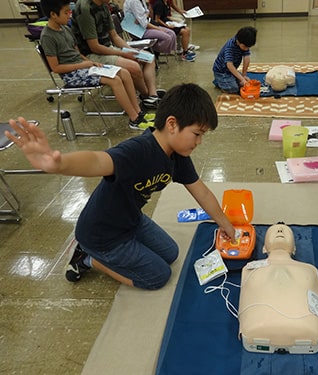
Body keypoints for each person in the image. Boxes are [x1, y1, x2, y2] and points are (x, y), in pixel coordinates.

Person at [5, 84, 236, 290]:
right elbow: (98, 161)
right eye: (197, 134)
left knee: (171, 253)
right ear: (172, 124)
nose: (199, 142)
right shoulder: (138, 150)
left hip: (131, 219)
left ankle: (111, 250)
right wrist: (60, 163)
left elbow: (201, 191)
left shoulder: (178, 154)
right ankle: (86, 257)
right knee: (158, 277)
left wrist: (224, 223)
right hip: (102, 234)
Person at [39, 0, 155, 130]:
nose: (69, 15)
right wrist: (84, 64)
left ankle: (139, 112)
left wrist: (88, 63)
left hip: (83, 65)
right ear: (53, 14)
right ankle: (134, 119)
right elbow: (56, 68)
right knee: (115, 80)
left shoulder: (65, 29)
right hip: (72, 74)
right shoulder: (47, 36)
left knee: (125, 73)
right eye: (66, 12)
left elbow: (76, 53)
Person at [239, 223, 318, 353]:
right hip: (257, 328)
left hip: (305, 330)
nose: (279, 229)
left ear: (294, 249)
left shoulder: (309, 270)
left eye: (285, 231)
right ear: (264, 248)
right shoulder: (250, 269)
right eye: (274, 230)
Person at [71, 0, 160, 109]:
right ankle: (146, 96)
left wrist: (131, 51)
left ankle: (152, 95)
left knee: (148, 58)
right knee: (134, 67)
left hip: (107, 48)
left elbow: (114, 36)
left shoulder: (104, 5)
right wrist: (123, 53)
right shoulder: (84, 8)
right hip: (91, 55)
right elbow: (94, 47)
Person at [212, 26, 257, 94]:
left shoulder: (244, 43)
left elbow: (246, 58)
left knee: (244, 82)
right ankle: (218, 81)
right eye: (245, 47)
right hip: (222, 72)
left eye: (248, 47)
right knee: (233, 89)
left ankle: (225, 81)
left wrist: (244, 75)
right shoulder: (230, 47)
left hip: (230, 71)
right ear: (239, 41)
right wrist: (242, 79)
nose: (246, 49)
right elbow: (229, 65)